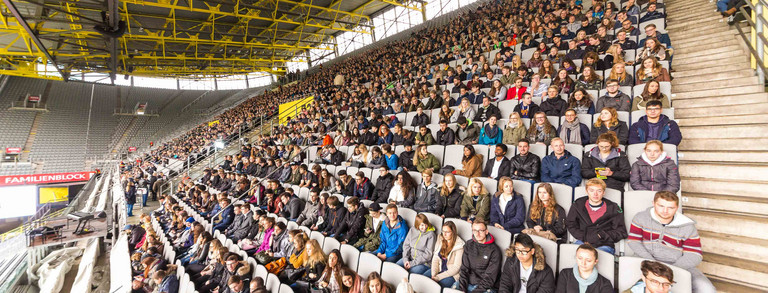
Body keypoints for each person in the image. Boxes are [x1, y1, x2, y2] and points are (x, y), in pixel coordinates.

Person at [628, 191, 716, 293]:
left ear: (677, 207)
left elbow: (694, 255)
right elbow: (633, 241)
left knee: (706, 288)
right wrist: (651, 262)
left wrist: (671, 269)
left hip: (676, 263)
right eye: (661, 206)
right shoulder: (641, 217)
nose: (665, 211)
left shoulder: (687, 226)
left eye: (671, 208)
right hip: (645, 259)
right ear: (653, 203)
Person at [566, 178, 627, 254]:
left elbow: (621, 232)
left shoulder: (613, 208)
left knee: (592, 257)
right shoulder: (578, 204)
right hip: (582, 242)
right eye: (592, 190)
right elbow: (570, 223)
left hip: (604, 244)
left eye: (599, 191)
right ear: (586, 191)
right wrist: (585, 237)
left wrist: (601, 235)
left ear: (603, 192)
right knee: (573, 256)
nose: (595, 194)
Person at [458, 221, 502, 293]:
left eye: (481, 231)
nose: (477, 234)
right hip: (469, 283)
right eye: (475, 230)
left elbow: (489, 279)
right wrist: (462, 289)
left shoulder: (495, 250)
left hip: (485, 287)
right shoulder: (469, 244)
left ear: (486, 231)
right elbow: (464, 269)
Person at [429, 221, 465, 288]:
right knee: (425, 280)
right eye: (443, 231)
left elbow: (456, 268)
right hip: (439, 269)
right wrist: (433, 274)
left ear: (453, 232)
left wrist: (438, 277)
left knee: (436, 287)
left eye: (447, 232)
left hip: (452, 275)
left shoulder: (460, 245)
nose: (444, 234)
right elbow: (435, 258)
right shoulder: (440, 239)